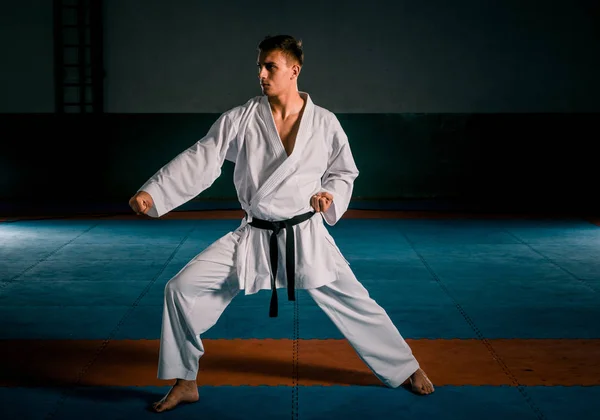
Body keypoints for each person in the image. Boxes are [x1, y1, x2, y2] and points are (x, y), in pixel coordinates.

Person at [129, 34, 434, 413]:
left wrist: (330, 196)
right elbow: (202, 157)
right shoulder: (241, 118)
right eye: (258, 65)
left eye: (269, 66)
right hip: (255, 234)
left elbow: (343, 171)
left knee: (354, 301)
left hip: (306, 234)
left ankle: (405, 367)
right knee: (180, 288)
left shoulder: (324, 123)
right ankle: (185, 380)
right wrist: (155, 193)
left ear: (294, 70)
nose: (261, 73)